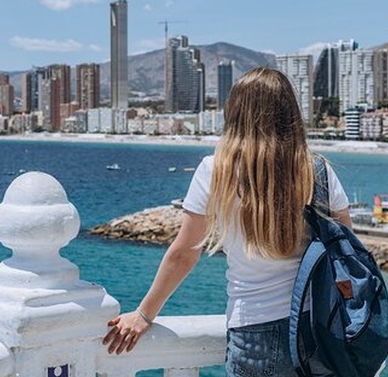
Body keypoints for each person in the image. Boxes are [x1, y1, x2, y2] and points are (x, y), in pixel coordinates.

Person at [103, 67, 351, 376]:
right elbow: (347, 248)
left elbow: (183, 254)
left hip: (255, 332)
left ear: (234, 113)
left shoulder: (216, 169)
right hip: (323, 329)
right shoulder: (316, 170)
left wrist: (144, 314)